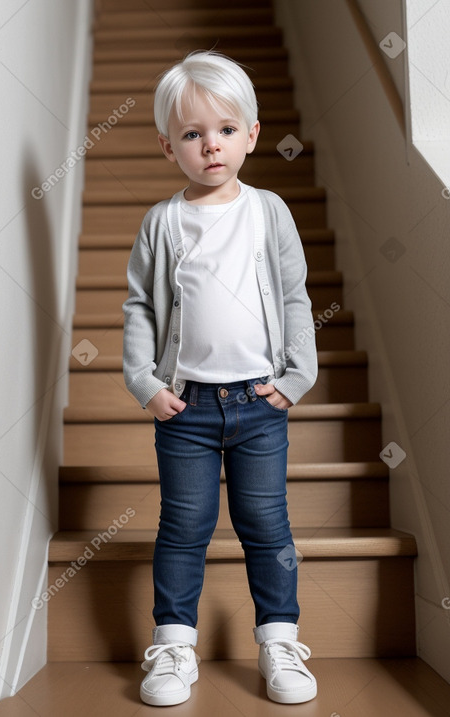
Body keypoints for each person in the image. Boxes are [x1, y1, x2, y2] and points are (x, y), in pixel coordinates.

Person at [122, 50, 318, 707]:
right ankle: (175, 644)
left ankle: (278, 639)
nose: (211, 145)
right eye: (192, 134)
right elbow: (142, 308)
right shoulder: (163, 222)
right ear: (167, 146)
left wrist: (297, 374)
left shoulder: (268, 213)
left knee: (265, 521)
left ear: (253, 134)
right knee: (186, 524)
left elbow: (294, 297)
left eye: (226, 129)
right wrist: (145, 381)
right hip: (188, 408)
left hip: (260, 401)